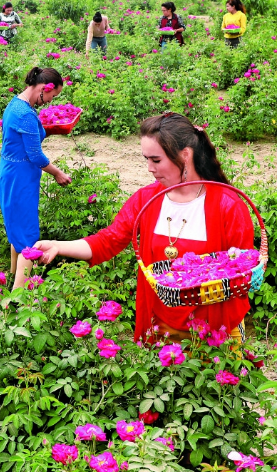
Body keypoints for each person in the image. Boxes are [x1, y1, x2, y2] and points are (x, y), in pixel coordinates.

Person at [33, 112, 254, 343]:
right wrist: (57, 246)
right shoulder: (145, 200)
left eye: (156, 160)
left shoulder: (228, 205)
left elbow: (240, 271)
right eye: (146, 159)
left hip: (214, 329)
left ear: (185, 155)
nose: (150, 168)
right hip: (159, 326)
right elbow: (108, 240)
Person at [0, 67, 72, 290]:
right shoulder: (26, 115)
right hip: (20, 178)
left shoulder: (16, 104)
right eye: (52, 95)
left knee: (17, 229)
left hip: (10, 173)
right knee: (28, 238)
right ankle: (17, 300)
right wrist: (58, 173)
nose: (50, 101)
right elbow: (36, 155)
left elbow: (25, 139)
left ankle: (13, 277)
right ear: (44, 88)